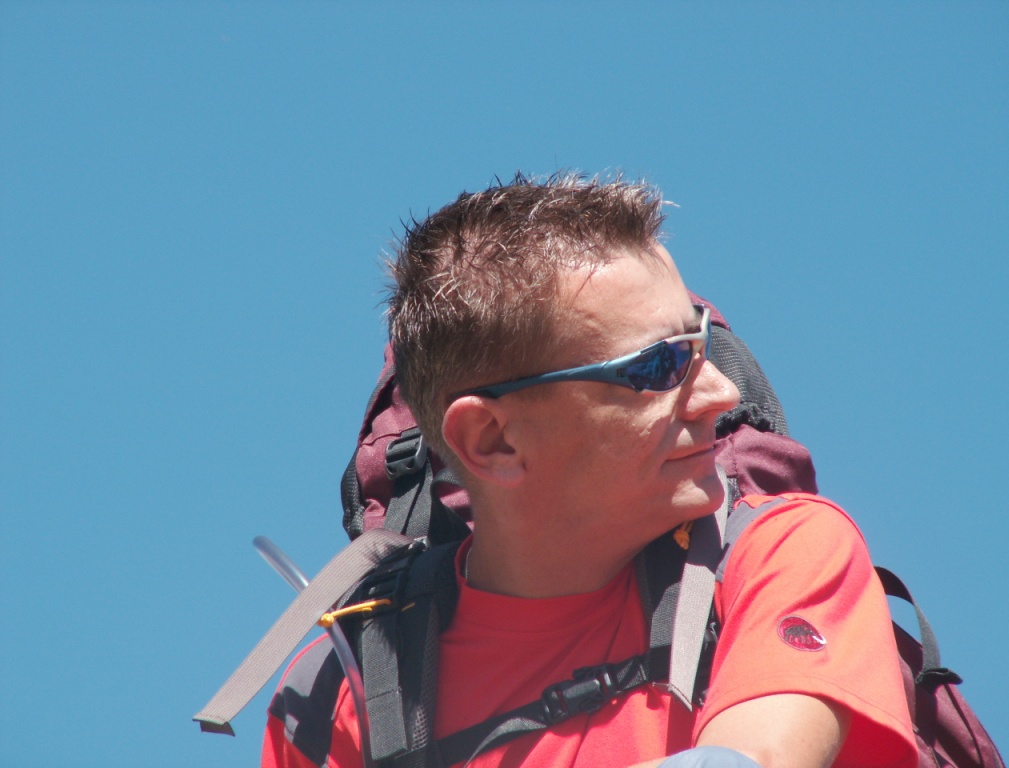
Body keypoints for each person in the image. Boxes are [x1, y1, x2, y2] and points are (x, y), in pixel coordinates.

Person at [262, 174, 916, 768]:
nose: (720, 393)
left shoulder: (779, 553)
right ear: (493, 441)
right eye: (658, 367)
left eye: (702, 343)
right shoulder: (341, 694)